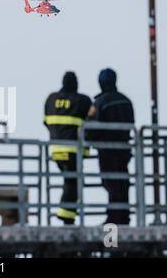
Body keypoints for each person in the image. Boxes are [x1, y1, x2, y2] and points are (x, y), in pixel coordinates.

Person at [87, 68, 134, 225]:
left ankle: (113, 223)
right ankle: (123, 218)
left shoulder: (100, 102)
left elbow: (90, 130)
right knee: (122, 183)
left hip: (107, 151)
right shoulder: (126, 101)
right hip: (124, 149)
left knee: (111, 184)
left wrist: (90, 140)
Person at [44, 72, 91, 225]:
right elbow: (91, 122)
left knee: (69, 180)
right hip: (73, 150)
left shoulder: (51, 99)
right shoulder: (82, 100)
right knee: (73, 182)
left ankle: (67, 215)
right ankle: (66, 216)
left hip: (56, 149)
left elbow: (46, 121)